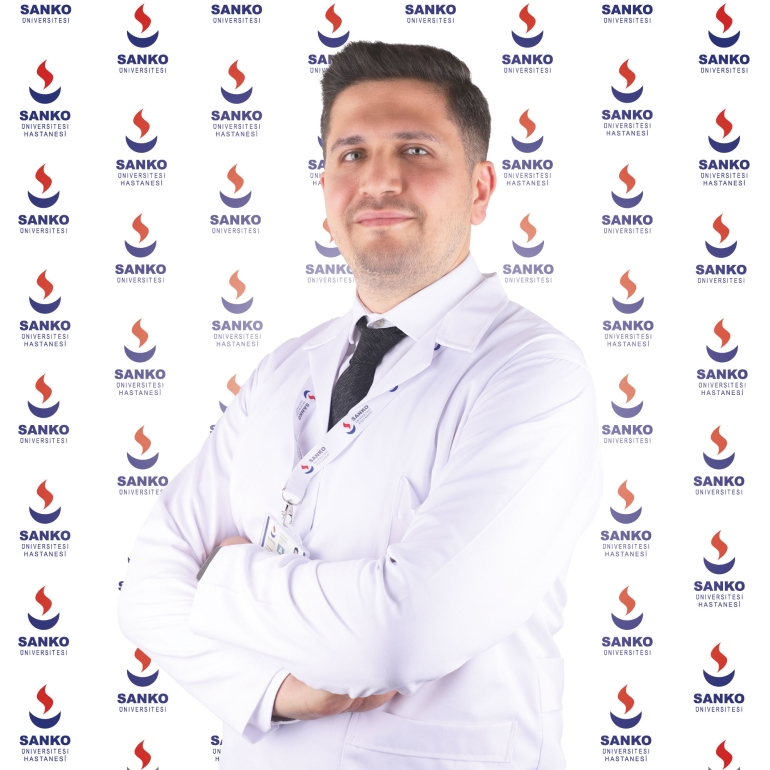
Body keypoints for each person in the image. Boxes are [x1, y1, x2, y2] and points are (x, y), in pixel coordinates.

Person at [118, 41, 601, 770]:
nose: (379, 180)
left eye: (415, 150)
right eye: (352, 155)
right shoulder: (285, 370)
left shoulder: (533, 373)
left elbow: (404, 632)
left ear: (480, 189)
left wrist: (222, 578)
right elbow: (146, 587)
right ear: (325, 190)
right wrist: (277, 691)